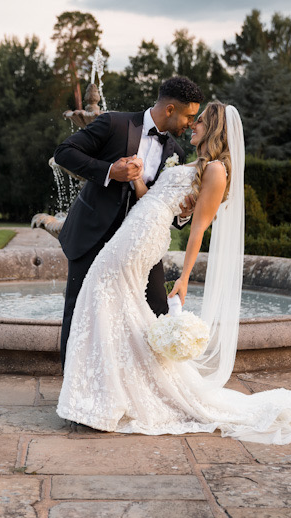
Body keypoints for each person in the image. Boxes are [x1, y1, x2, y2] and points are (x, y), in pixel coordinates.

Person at [56, 101, 291, 444]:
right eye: (192, 119)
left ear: (215, 128)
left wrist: (184, 277)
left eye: (200, 121)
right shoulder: (192, 161)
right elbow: (155, 200)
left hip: (143, 237)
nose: (193, 125)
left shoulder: (217, 171)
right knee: (112, 302)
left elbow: (197, 229)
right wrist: (134, 179)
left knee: (102, 290)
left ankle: (107, 395)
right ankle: (107, 391)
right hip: (137, 227)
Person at [55, 77, 204, 368]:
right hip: (92, 235)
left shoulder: (176, 152)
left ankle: (156, 387)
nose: (191, 123)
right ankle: (73, 388)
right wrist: (111, 170)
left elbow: (168, 209)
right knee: (80, 309)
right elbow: (64, 152)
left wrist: (184, 214)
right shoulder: (114, 124)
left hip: (141, 243)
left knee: (158, 307)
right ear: (171, 109)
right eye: (188, 116)